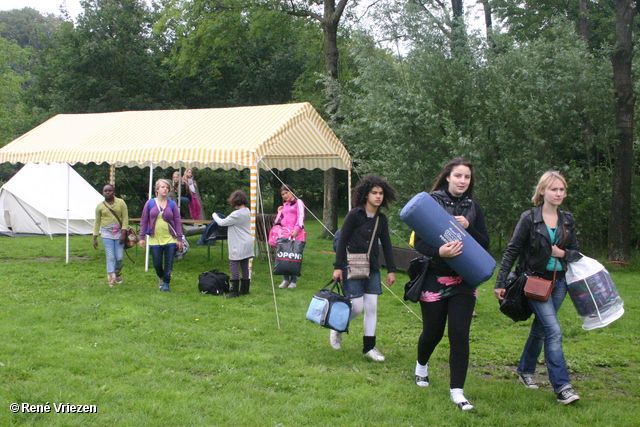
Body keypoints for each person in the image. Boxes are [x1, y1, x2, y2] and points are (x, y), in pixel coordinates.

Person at [494, 171, 582, 405]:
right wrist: (501, 282)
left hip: (559, 282)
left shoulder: (567, 219)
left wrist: (562, 253)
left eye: (562, 190)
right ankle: (563, 387)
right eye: (554, 189)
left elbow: (576, 252)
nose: (559, 194)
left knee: (541, 329)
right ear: (542, 191)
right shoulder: (529, 218)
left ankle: (525, 370)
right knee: (553, 331)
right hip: (534, 281)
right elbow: (512, 250)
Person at [412, 157, 490, 411]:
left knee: (459, 334)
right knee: (433, 333)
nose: (462, 181)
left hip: (464, 280)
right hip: (434, 275)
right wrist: (440, 252)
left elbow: (485, 244)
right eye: (458, 176)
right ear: (448, 176)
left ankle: (457, 391)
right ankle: (421, 365)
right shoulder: (432, 203)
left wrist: (469, 228)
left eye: (467, 177)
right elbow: (419, 243)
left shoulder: (473, 208)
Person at [332, 174, 396, 362]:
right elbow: (342, 240)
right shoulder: (354, 214)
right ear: (365, 195)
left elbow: (386, 243)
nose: (378, 196)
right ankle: (337, 327)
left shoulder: (381, 219)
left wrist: (391, 269)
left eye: (381, 193)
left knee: (372, 306)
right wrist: (337, 267)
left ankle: (369, 347)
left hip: (372, 267)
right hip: (351, 264)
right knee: (357, 307)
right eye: (374, 193)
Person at [138, 179, 183, 292]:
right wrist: (142, 237)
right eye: (163, 187)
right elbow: (144, 220)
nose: (165, 189)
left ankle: (166, 283)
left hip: (170, 238)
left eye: (167, 187)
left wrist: (179, 238)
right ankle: (161, 277)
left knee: (169, 263)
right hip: (155, 238)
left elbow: (178, 221)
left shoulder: (172, 204)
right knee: (157, 263)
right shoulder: (150, 203)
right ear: (157, 189)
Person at [212, 190, 254, 298]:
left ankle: (234, 291)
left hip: (239, 243)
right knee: (244, 265)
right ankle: (245, 289)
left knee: (234, 265)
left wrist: (214, 215)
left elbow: (222, 222)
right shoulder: (247, 211)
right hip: (248, 242)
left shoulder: (236, 214)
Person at [93, 184, 129, 287]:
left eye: (110, 191)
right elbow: (97, 221)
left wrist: (124, 232)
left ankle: (117, 272)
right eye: (105, 191)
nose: (108, 192)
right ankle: (111, 278)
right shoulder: (100, 206)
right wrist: (95, 236)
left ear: (114, 192)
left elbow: (125, 218)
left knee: (119, 257)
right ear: (102, 192)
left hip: (119, 233)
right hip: (106, 233)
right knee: (110, 256)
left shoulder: (121, 203)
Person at [275, 184, 306, 289]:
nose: (284, 195)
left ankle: (293, 281)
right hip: (285, 232)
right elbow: (282, 218)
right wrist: (280, 212)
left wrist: (297, 229)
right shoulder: (285, 205)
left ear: (291, 192)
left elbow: (300, 216)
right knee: (284, 256)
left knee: (293, 257)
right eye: (282, 194)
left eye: (286, 193)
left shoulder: (298, 202)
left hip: (295, 232)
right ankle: (285, 279)